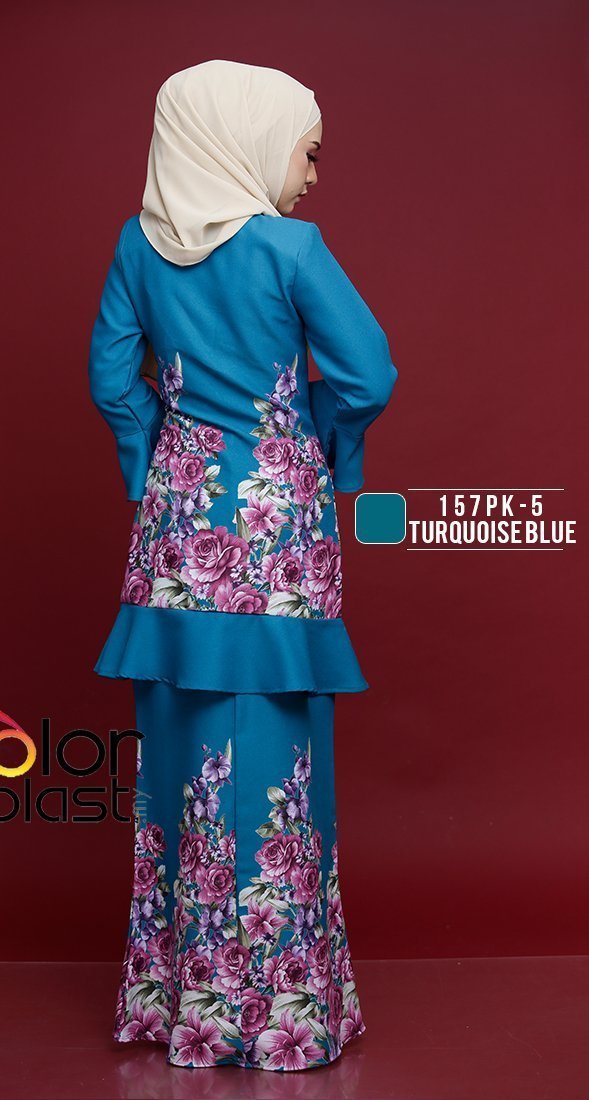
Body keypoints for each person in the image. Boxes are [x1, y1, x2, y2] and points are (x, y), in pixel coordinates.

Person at [87, 58, 398, 1072]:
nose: (310, 175)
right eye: (308, 152)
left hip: (178, 526)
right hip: (274, 526)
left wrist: (156, 456)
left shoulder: (137, 244)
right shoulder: (288, 247)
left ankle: (179, 1004)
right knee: (277, 752)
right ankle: (276, 1011)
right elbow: (368, 372)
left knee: (177, 745)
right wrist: (310, 436)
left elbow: (110, 377)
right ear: (250, 142)